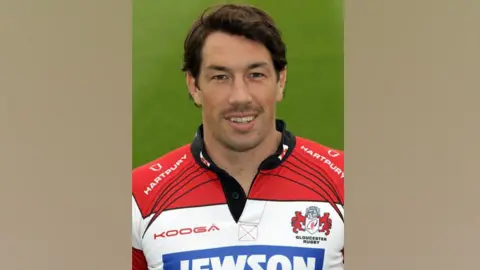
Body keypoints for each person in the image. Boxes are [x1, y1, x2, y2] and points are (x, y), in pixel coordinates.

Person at [132, 3, 344, 270]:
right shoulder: (139, 197)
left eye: (256, 75)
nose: (240, 97)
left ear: (280, 81)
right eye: (221, 77)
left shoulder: (345, 183)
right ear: (194, 85)